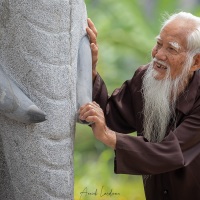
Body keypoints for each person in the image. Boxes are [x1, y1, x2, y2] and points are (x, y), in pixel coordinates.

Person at [79, 12, 200, 200]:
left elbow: (171, 152)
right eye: (159, 44)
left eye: (171, 49)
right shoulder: (145, 78)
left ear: (196, 62)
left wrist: (109, 138)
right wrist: (91, 69)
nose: (159, 55)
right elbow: (110, 117)